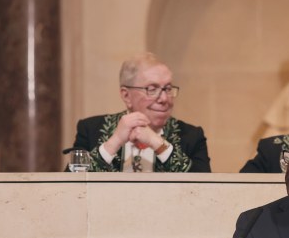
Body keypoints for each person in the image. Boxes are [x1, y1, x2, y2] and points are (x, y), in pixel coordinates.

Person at [66, 52, 211, 172]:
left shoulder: (192, 136)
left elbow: (206, 192)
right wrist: (114, 142)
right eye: (152, 89)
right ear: (126, 95)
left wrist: (157, 142)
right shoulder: (91, 129)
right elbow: (70, 189)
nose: (164, 98)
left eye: (167, 88)